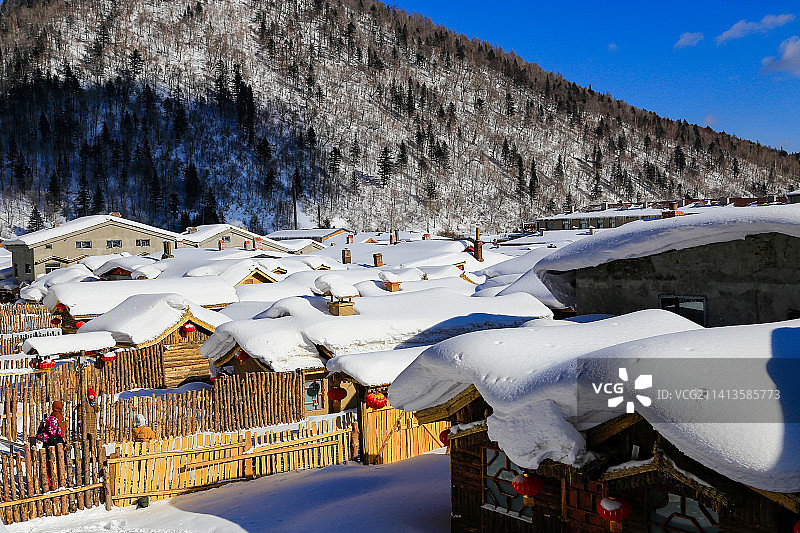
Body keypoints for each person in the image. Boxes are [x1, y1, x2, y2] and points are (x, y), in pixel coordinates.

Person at [132, 414, 156, 509]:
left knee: (140, 468)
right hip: (146, 451)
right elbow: (153, 436)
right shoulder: (147, 430)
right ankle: (147, 482)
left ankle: (141, 481)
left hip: (138, 451)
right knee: (147, 468)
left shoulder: (134, 430)